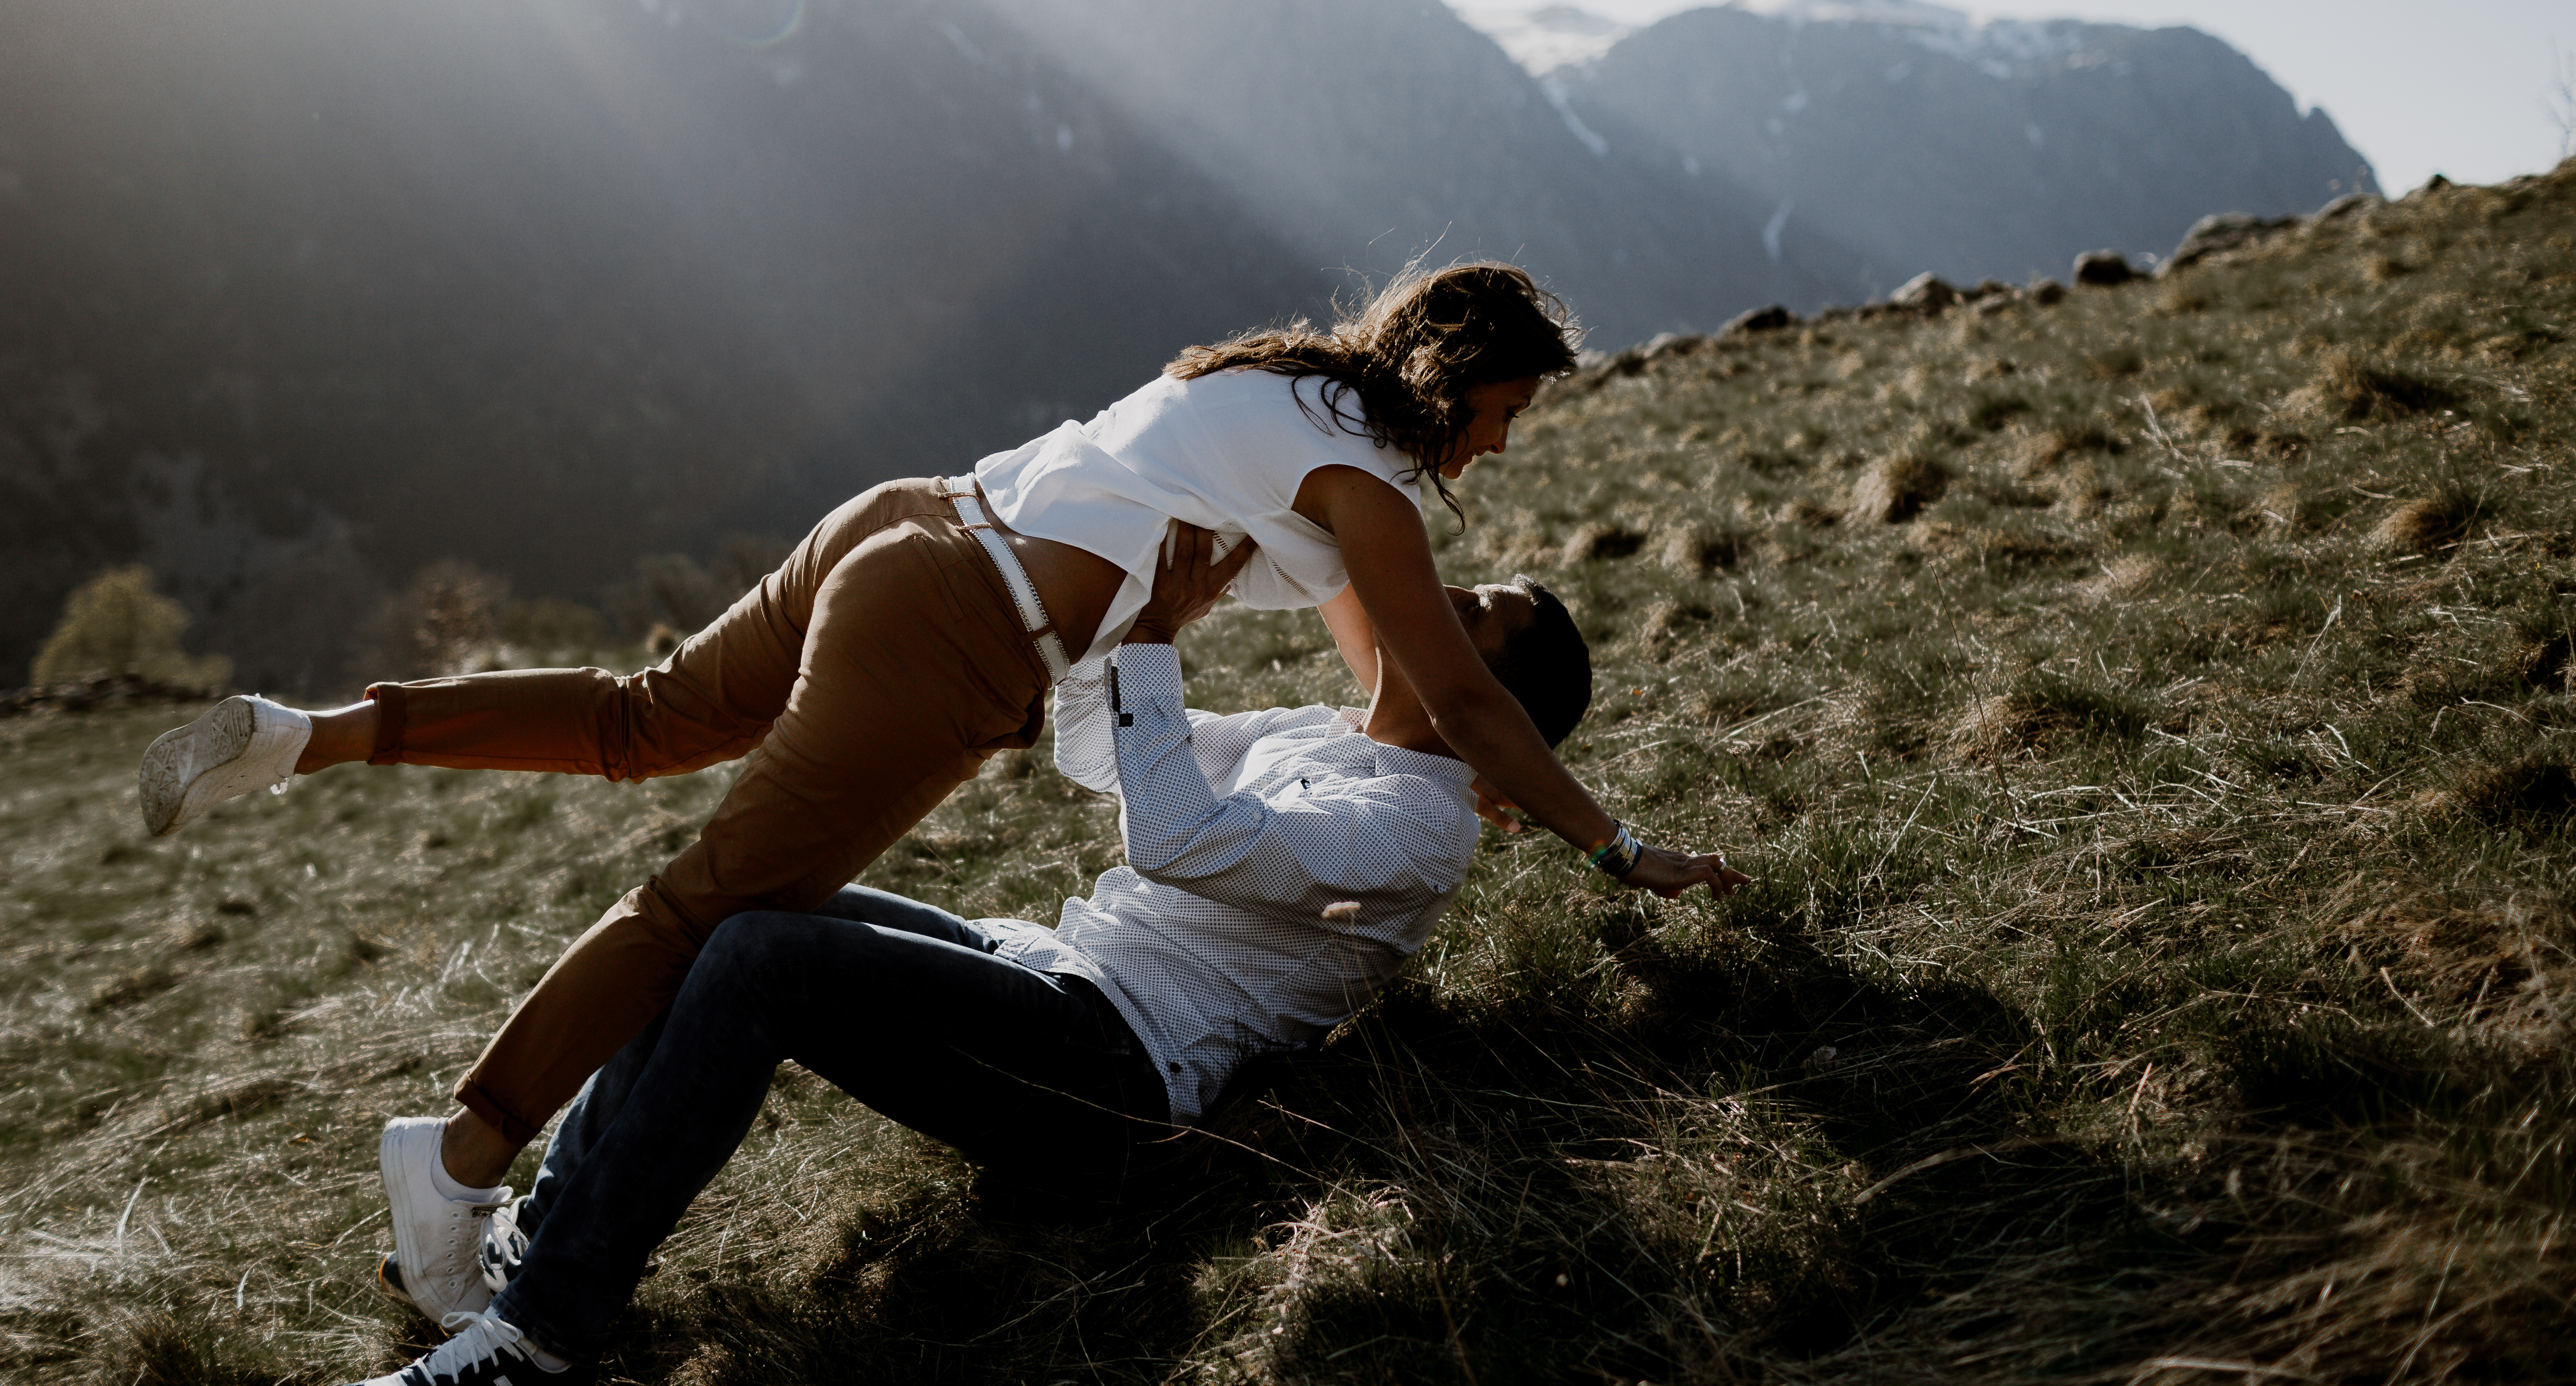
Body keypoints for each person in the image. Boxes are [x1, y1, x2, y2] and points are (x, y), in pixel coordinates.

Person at [136, 261, 1736, 1320]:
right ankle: (465, 1159)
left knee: (646, 719)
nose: (1505, 453)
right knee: (707, 911)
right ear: (1461, 385)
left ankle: (309, 733)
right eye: (1511, 416)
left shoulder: (1292, 397)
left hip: (910, 520)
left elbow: (1390, 696)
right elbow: (1451, 691)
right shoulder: (1375, 486)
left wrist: (1432, 760)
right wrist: (1615, 844)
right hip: (968, 627)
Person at [342, 533, 1747, 1386]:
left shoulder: (1417, 829)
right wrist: (1121, 620)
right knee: (741, 907)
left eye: (1468, 619)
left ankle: (541, 1337)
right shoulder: (1334, 737)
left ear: (1486, 704)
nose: (1427, 604)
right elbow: (1106, 759)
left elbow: (1181, 842)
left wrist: (1149, 650)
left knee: (764, 959)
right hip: (1053, 977)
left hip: (1117, 1079)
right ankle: (534, 1244)